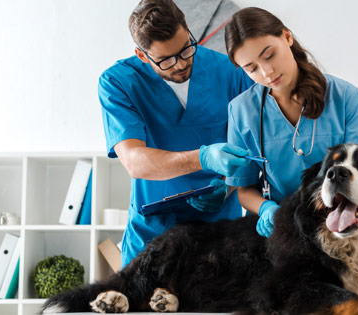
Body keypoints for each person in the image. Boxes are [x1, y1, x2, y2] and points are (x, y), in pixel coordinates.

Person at [98, 0, 254, 267]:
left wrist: (228, 186)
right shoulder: (118, 83)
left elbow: (253, 146)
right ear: (142, 55)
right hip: (152, 233)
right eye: (166, 60)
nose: (181, 64)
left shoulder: (230, 71)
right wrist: (204, 158)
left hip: (219, 232)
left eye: (185, 49)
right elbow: (134, 161)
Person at [224, 7, 358, 237]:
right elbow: (244, 188)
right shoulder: (241, 112)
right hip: (284, 226)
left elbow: (355, 170)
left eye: (269, 55)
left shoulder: (345, 96)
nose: (266, 72)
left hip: (338, 219)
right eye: (252, 69)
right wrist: (266, 209)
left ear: (287, 37)